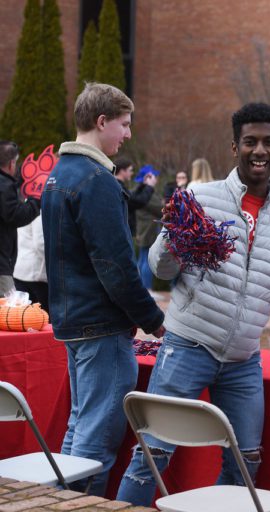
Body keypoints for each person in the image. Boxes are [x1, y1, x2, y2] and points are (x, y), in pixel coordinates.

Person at [116, 102, 270, 506]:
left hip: (243, 360)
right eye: (250, 141)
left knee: (245, 461)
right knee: (152, 455)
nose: (260, 150)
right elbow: (159, 267)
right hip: (187, 347)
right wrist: (175, 233)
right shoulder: (200, 197)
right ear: (235, 147)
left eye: (268, 142)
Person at [40, 82, 165, 496]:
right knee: (94, 444)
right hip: (101, 328)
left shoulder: (60, 175)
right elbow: (115, 266)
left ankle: (58, 503)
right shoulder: (96, 180)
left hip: (74, 323)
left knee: (79, 429)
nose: (127, 134)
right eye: (124, 124)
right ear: (101, 122)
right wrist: (152, 319)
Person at [0, 140, 40, 296]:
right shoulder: (4, 185)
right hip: (2, 264)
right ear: (11, 164)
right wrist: (36, 200)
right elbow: (16, 215)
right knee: (6, 310)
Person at [113, 159, 158, 236]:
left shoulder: (117, 185)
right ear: (122, 171)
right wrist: (150, 186)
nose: (132, 173)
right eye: (130, 170)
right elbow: (139, 201)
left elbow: (132, 196)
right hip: (122, 232)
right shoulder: (118, 187)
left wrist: (143, 184)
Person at [13, 216, 48, 311]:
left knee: (24, 317)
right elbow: (40, 243)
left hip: (21, 270)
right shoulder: (38, 213)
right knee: (42, 317)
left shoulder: (25, 208)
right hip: (36, 273)